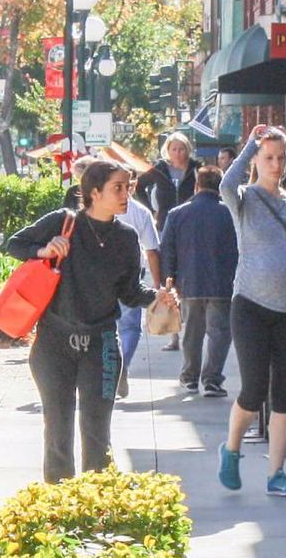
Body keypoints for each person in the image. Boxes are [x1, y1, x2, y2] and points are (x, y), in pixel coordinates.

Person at [6, 160, 178, 483]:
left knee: (97, 430)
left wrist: (156, 298)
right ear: (94, 193)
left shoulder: (127, 239)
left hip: (101, 343)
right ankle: (59, 506)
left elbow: (128, 292)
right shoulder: (64, 223)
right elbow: (13, 244)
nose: (126, 194)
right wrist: (43, 250)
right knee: (58, 428)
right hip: (53, 342)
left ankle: (96, 505)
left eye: (128, 187)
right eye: (118, 188)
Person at [216, 125, 286, 498]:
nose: (276, 165)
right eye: (268, 158)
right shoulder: (244, 198)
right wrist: (249, 145)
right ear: (257, 161)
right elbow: (225, 186)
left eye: (281, 158)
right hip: (250, 306)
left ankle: (277, 473)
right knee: (254, 388)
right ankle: (231, 448)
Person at [160, 165, 238, 398]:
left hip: (189, 281)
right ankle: (212, 380)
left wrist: (169, 281)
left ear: (197, 185)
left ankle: (190, 378)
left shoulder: (177, 214)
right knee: (219, 333)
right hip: (223, 283)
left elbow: (168, 250)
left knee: (192, 332)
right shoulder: (230, 214)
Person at [134, 131, 202, 351]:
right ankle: (173, 334)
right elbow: (139, 186)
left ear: (187, 150)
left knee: (188, 272)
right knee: (169, 274)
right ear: (168, 151)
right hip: (165, 224)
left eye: (182, 149)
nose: (178, 153)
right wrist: (151, 210)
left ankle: (190, 325)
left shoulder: (195, 168)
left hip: (190, 225)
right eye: (174, 149)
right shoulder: (160, 169)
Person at [114, 167, 162, 399]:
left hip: (105, 274)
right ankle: (122, 365)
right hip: (132, 273)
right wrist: (159, 283)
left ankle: (114, 369)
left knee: (108, 326)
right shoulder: (141, 212)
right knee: (130, 326)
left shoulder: (103, 208)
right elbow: (152, 250)